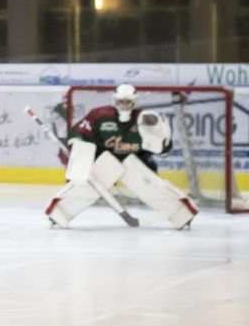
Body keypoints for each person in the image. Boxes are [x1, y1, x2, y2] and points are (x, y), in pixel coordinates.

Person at [46, 84, 198, 229]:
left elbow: (163, 149)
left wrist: (163, 137)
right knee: (86, 188)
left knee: (152, 188)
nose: (124, 105)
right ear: (115, 101)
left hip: (134, 161)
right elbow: (80, 132)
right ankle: (59, 213)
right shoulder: (100, 116)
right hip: (105, 160)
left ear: (135, 102)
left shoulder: (145, 121)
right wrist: (79, 148)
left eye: (128, 102)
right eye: (121, 101)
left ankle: (182, 213)